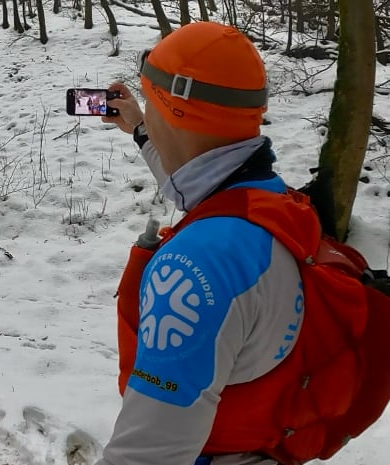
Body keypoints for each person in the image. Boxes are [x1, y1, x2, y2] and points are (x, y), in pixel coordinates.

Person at [97, 22, 306, 465]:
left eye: (152, 106)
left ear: (172, 114)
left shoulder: (197, 267)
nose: (147, 117)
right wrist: (139, 129)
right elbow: (193, 186)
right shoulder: (266, 196)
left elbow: (144, 458)